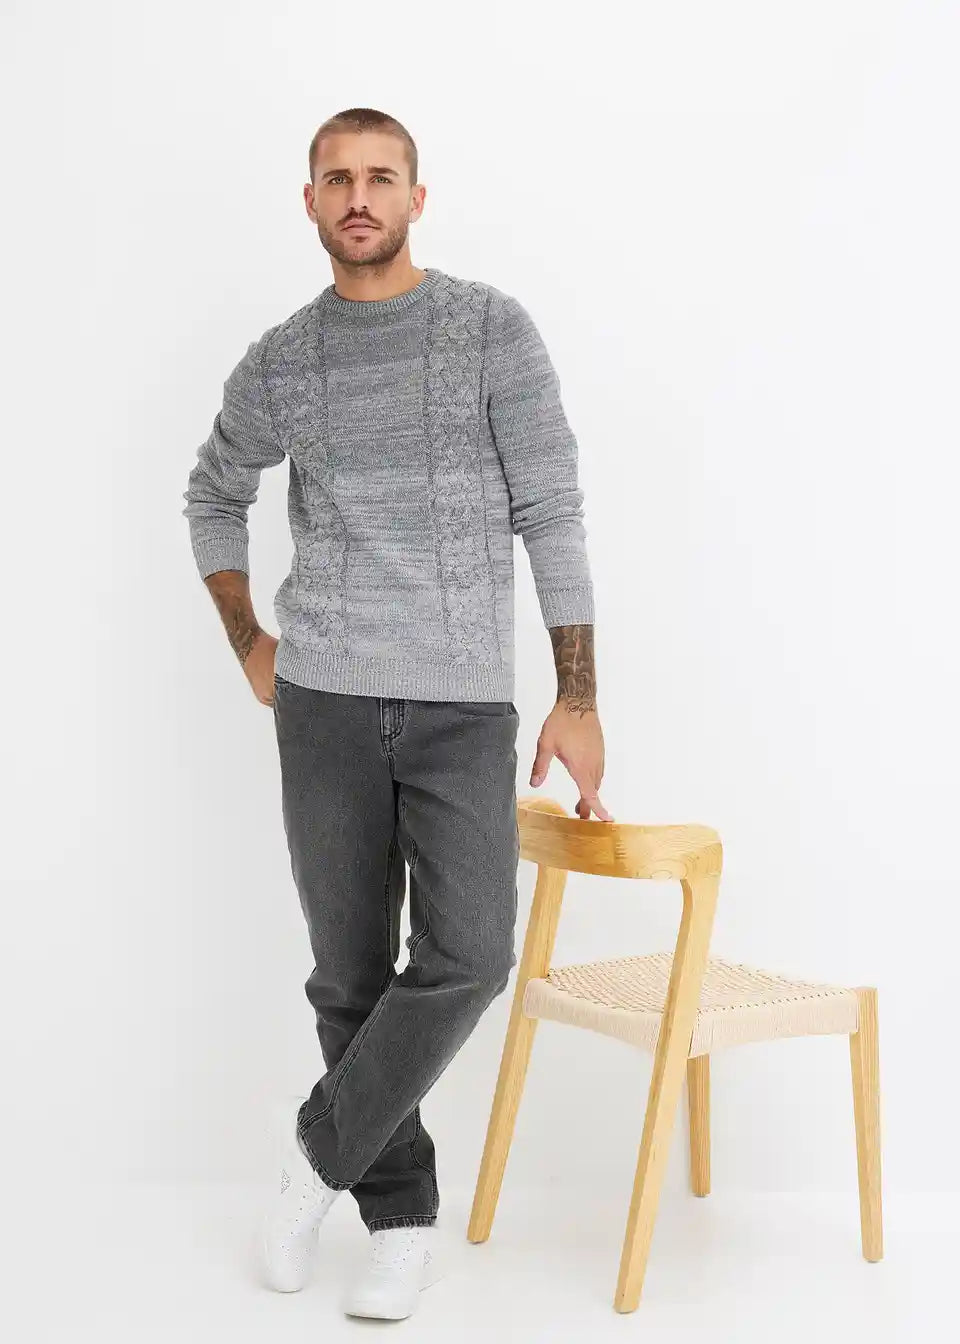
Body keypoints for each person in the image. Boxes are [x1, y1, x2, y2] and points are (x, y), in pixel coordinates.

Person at [182, 106, 613, 1321]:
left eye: (381, 177)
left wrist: (578, 694)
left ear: (419, 198)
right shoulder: (283, 359)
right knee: (350, 975)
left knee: (469, 955)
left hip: (462, 702)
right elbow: (213, 494)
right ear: (310, 201)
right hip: (321, 700)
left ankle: (315, 1152)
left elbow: (552, 510)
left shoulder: (488, 330)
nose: (359, 196)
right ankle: (400, 1221)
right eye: (338, 179)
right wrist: (249, 643)